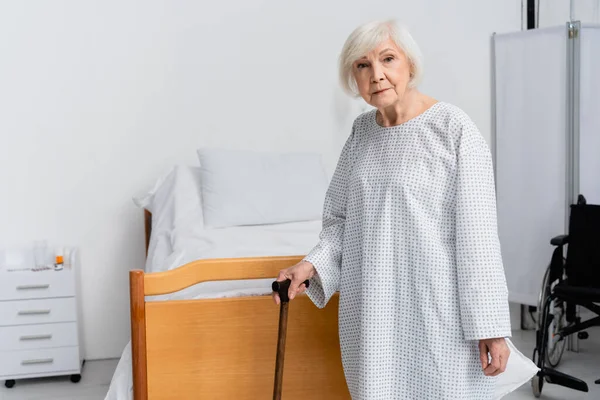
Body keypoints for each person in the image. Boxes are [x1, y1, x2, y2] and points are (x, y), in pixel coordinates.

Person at [273, 19, 512, 400]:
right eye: (363, 66)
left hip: (439, 313)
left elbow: (478, 236)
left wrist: (490, 327)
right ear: (353, 78)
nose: (377, 75)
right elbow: (341, 222)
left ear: (410, 65)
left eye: (388, 59)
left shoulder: (453, 129)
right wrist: (311, 265)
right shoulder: (361, 134)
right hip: (372, 313)